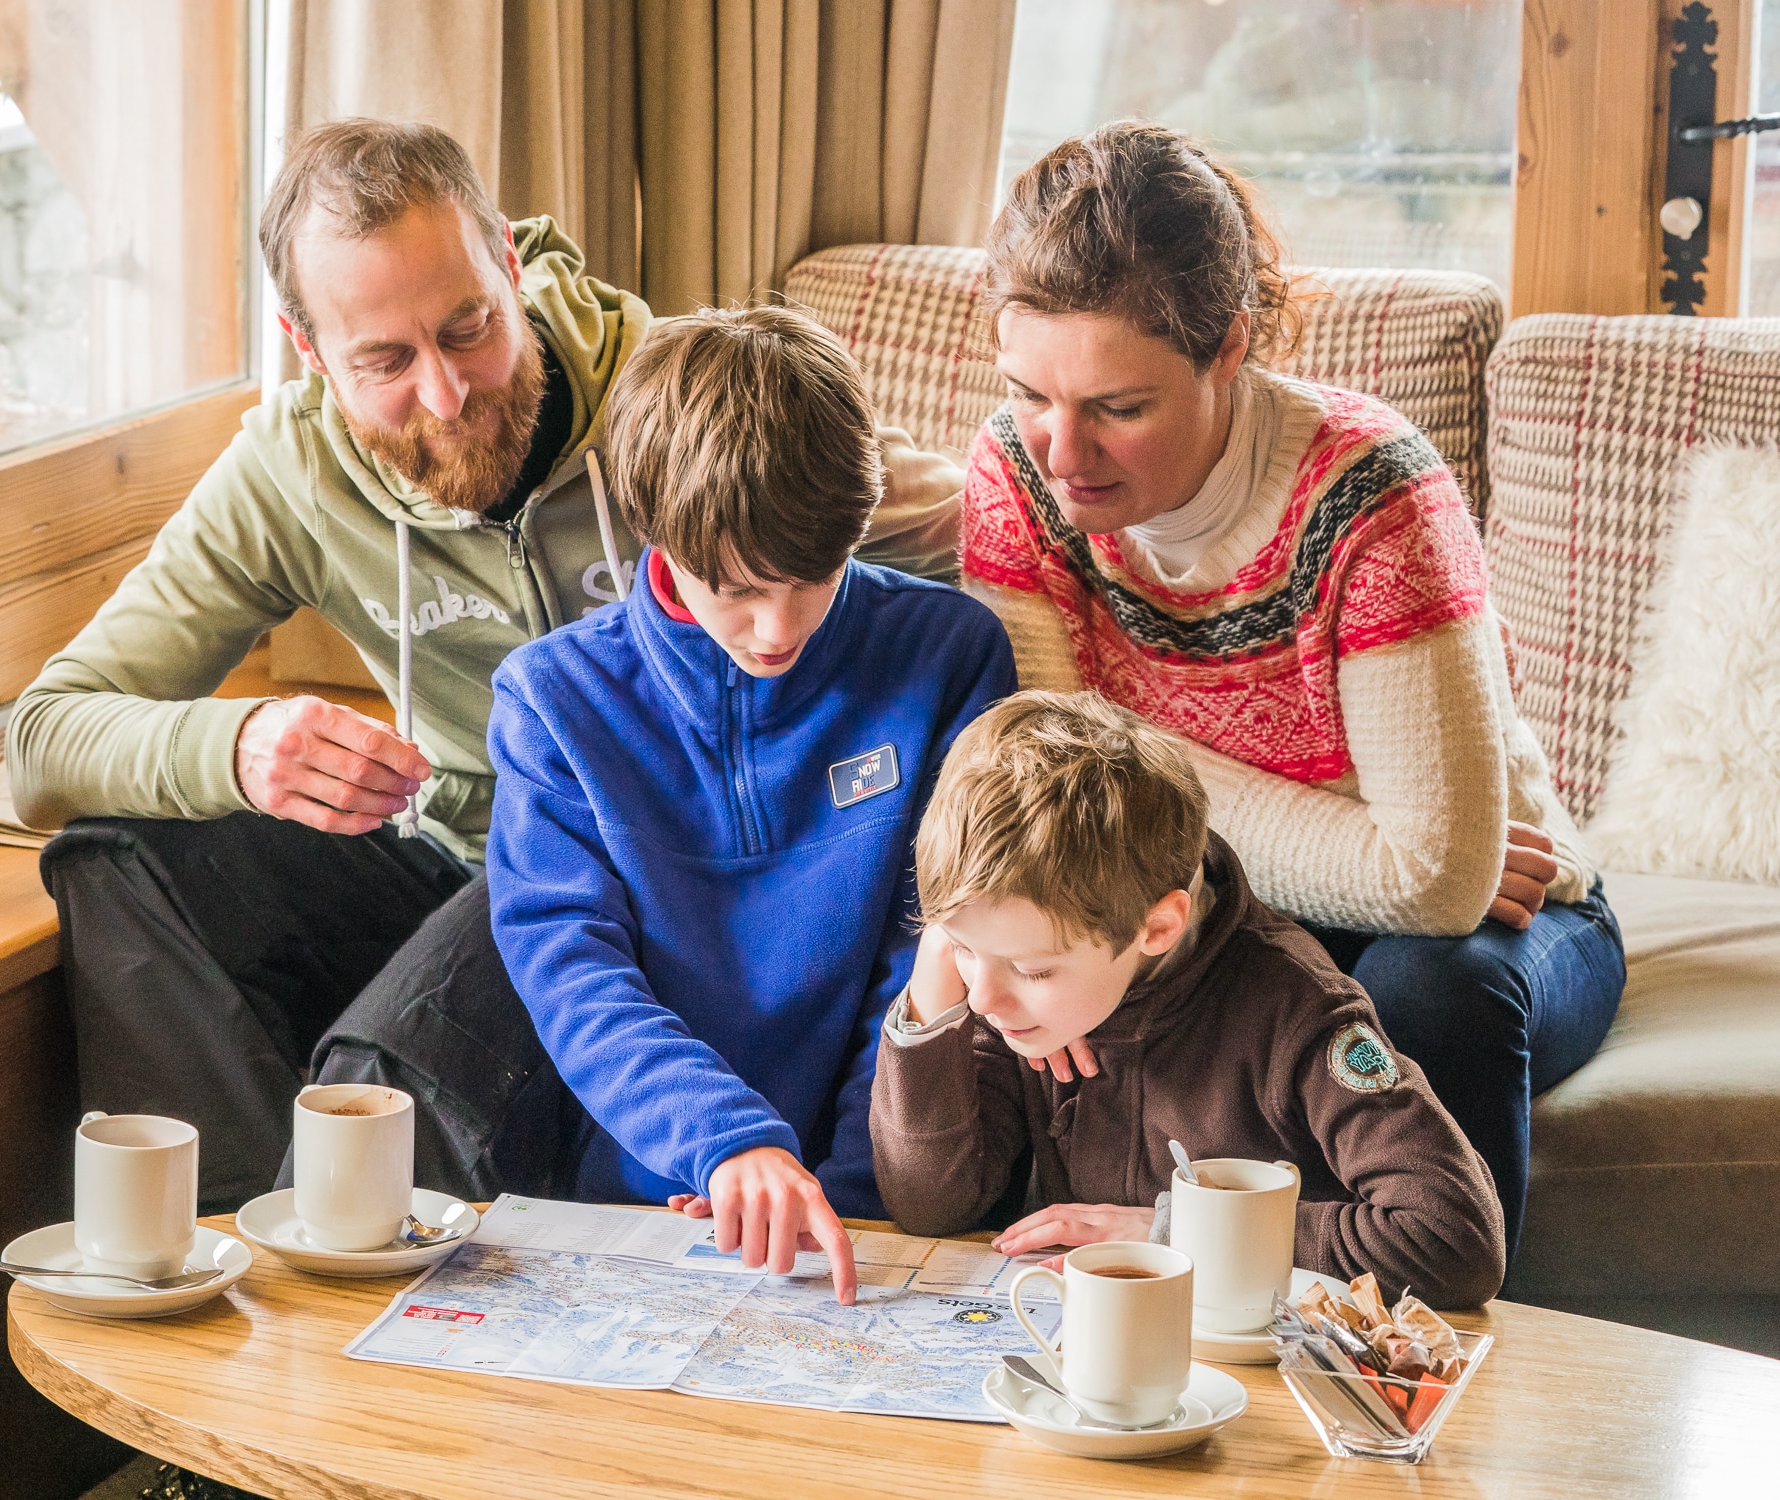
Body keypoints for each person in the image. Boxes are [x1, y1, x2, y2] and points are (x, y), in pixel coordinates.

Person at [9, 118, 965, 1211]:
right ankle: (217, 1242)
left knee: (402, 1047)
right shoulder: (286, 473)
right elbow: (43, 740)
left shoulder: (668, 402)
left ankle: (341, 1242)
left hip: (619, 883)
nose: (448, 395)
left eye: (469, 328)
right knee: (116, 856)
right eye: (385, 362)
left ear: (508, 263)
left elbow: (940, 514)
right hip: (431, 857)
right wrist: (240, 745)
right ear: (308, 350)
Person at [956, 120, 1624, 1264]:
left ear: (1229, 347)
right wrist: (1341, 838)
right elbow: (1056, 796)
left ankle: (1439, 1336)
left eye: (1119, 406)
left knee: (1429, 988)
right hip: (1235, 905)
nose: (1063, 452)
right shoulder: (1012, 473)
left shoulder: (1368, 493)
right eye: (1030, 394)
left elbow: (1432, 879)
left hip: (1509, 919)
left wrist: (1126, 748)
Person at [479, 306, 1016, 1301]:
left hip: (889, 1195)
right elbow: (573, 973)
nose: (775, 629)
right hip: (661, 1194)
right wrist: (724, 1143)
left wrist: (849, 1190)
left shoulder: (950, 654)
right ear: (652, 528)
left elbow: (933, 952)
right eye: (734, 589)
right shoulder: (552, 701)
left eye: (813, 578)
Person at [872, 691, 1507, 1309]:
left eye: (1033, 970)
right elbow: (932, 1207)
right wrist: (933, 993)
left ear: (1157, 929)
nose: (983, 999)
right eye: (960, 945)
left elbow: (1455, 1237)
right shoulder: (1016, 981)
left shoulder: (1298, 1011)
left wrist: (1183, 1231)